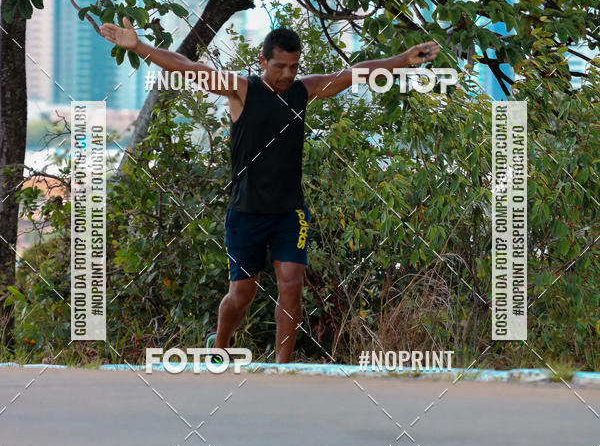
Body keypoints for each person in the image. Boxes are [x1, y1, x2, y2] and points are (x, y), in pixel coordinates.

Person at [100, 18, 440, 362]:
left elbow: (353, 73)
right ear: (263, 61)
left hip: (289, 212)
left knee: (291, 284)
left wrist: (402, 59)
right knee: (241, 296)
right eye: (279, 66)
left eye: (293, 66)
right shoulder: (241, 89)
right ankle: (219, 345)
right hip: (245, 212)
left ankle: (282, 367)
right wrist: (139, 46)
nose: (287, 74)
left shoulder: (303, 91)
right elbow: (188, 68)